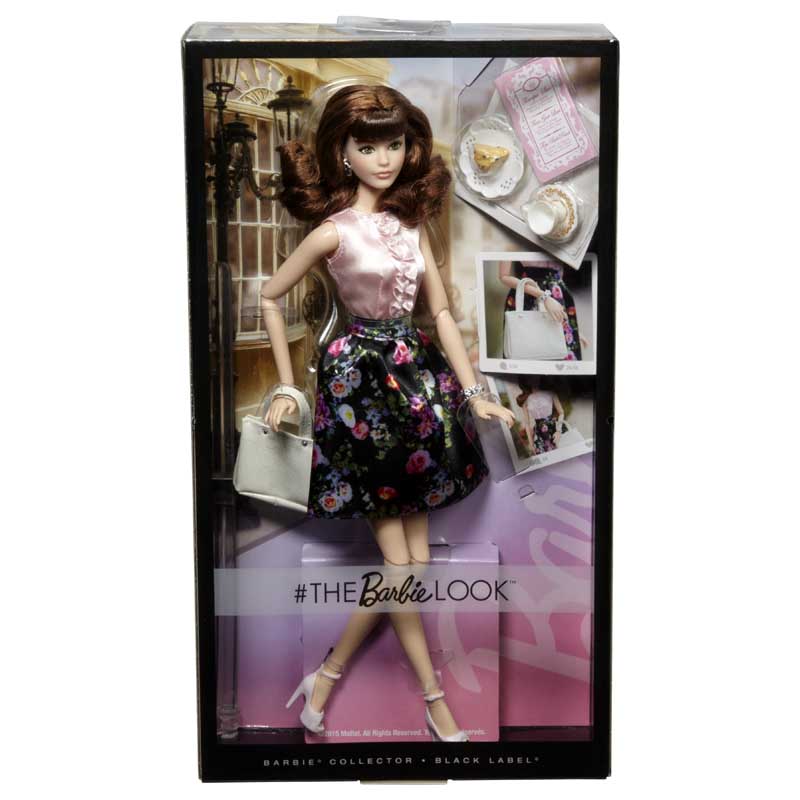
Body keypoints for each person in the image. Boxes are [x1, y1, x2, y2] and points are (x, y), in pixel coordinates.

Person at [259, 84, 514, 742]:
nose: (384, 159)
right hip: (360, 393)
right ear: (342, 153)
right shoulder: (333, 232)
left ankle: (326, 678)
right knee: (404, 566)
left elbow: (440, 314)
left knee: (413, 565)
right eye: (368, 147)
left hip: (417, 389)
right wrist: (287, 387)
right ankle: (428, 698)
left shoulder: (412, 226)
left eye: (394, 145)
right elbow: (270, 296)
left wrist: (474, 392)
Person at [499, 259, 585, 360]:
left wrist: (571, 328)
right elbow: (503, 276)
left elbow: (559, 273)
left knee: (562, 360)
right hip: (529, 293)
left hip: (557, 298)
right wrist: (543, 296)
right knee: (527, 351)